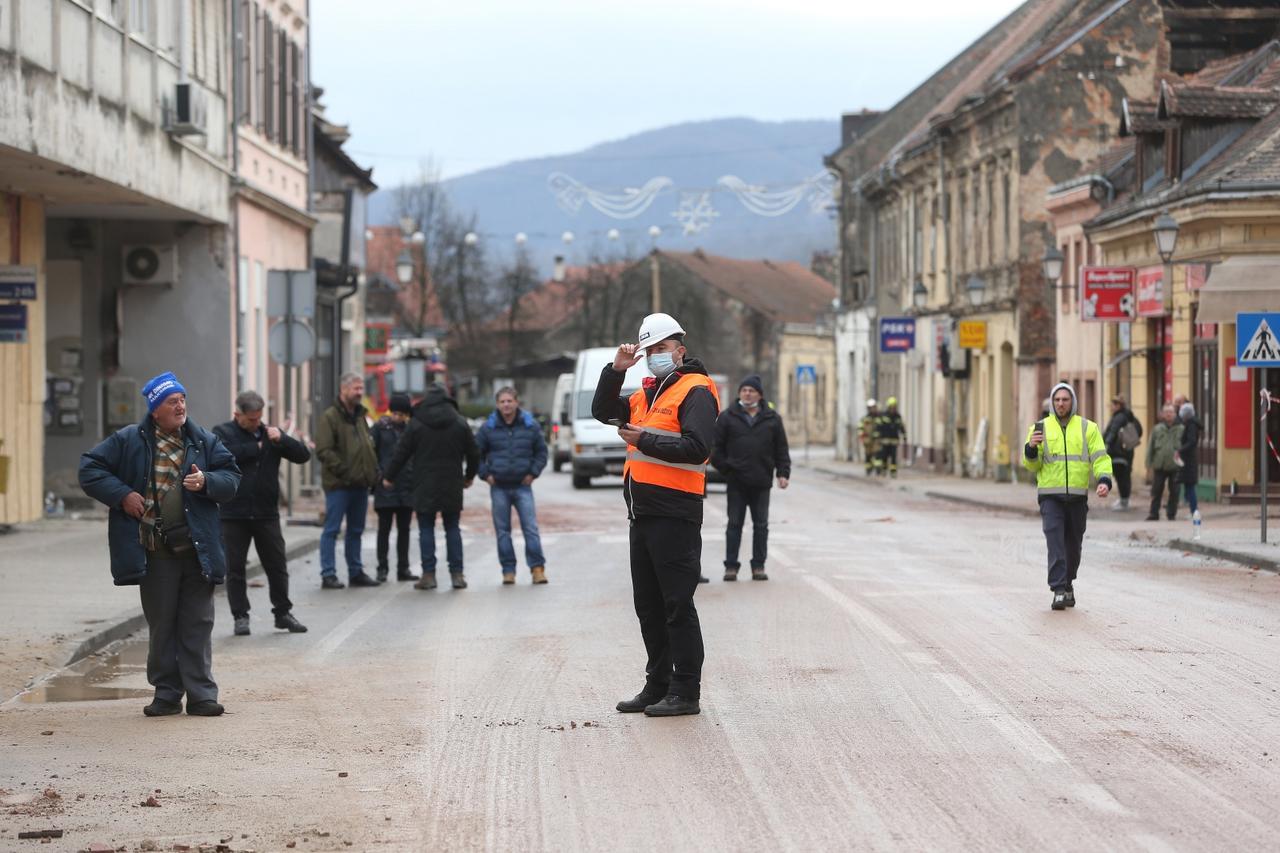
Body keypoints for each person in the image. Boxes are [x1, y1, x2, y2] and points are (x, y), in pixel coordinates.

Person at [79, 372, 240, 717]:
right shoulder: (128, 441)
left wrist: (208, 480)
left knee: (197, 623)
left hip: (198, 552)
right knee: (163, 624)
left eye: (182, 399)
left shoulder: (204, 441)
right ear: (155, 410)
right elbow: (89, 468)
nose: (180, 405)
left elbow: (232, 478)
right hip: (154, 551)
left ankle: (202, 695)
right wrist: (121, 495)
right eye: (172, 401)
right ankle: (166, 694)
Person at [592, 312, 720, 717]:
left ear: (680, 351)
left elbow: (698, 447)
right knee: (648, 606)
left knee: (677, 605)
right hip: (643, 512)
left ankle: (686, 692)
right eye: (649, 351)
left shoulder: (695, 390)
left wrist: (643, 439)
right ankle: (657, 685)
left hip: (676, 512)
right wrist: (616, 370)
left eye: (661, 349)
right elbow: (601, 410)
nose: (653, 357)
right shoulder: (646, 392)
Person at [214, 390, 312, 636]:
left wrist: (284, 439)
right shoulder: (222, 432)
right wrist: (257, 447)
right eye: (251, 419)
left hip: (266, 513)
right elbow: (223, 457)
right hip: (233, 513)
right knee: (235, 568)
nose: (256, 423)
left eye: (259, 418)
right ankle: (240, 616)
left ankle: (282, 613)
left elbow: (303, 455)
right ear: (238, 414)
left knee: (277, 565)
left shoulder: (272, 434)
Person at [1022, 382, 1113, 611]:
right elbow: (1032, 466)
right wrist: (1031, 450)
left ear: (1073, 401)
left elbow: (1101, 458)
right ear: (1052, 403)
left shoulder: (1087, 428)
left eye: (1065, 399)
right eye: (1057, 400)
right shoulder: (1040, 428)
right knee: (1055, 543)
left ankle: (1068, 582)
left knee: (1073, 545)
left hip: (1077, 497)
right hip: (1050, 497)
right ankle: (1058, 589)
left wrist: (1103, 480)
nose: (1061, 404)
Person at [383, 382, 480, 591]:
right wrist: (469, 476)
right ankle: (457, 574)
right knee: (452, 528)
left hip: (424, 482)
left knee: (426, 528)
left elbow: (402, 452)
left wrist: (389, 476)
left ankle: (429, 575)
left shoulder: (417, 423)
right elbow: (474, 452)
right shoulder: (459, 422)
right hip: (452, 482)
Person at [711, 374, 790, 582]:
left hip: (761, 481)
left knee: (761, 526)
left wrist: (783, 473)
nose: (747, 393)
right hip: (736, 482)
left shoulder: (772, 419)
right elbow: (716, 449)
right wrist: (727, 469)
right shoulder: (727, 417)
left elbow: (781, 449)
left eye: (751, 390)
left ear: (760, 395)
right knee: (734, 525)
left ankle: (758, 566)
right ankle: (731, 567)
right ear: (739, 393)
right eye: (744, 390)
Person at [476, 387, 549, 585]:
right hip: (498, 486)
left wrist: (533, 473)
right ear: (497, 404)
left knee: (530, 528)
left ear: (517, 402)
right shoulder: (488, 428)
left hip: (522, 486)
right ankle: (508, 571)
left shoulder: (530, 425)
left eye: (510, 401)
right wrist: (486, 475)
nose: (506, 405)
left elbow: (541, 452)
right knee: (502, 531)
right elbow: (476, 455)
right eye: (502, 401)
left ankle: (537, 569)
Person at [314, 372, 381, 590]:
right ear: (344, 390)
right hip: (339, 485)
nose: (360, 393)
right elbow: (324, 450)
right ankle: (328, 573)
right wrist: (345, 471)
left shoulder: (361, 416)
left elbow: (367, 447)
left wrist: (372, 471)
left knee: (355, 531)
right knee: (332, 529)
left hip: (360, 485)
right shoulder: (330, 417)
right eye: (356, 389)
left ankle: (356, 571)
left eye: (361, 388)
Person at [371, 394, 420, 583]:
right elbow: (372, 454)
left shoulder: (411, 430)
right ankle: (382, 568)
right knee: (384, 529)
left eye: (402, 414)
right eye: (396, 413)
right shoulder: (379, 429)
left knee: (404, 530)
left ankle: (403, 568)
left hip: (406, 486)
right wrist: (379, 476)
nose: (398, 417)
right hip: (385, 486)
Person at [1102, 394, 1143, 510]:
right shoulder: (1128, 416)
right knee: (1124, 476)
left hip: (1118, 452)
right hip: (1127, 451)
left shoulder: (1119, 417)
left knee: (1121, 477)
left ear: (1119, 405)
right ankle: (1124, 500)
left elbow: (1112, 431)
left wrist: (1106, 444)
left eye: (1114, 404)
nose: (1112, 406)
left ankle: (1124, 501)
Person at [1145, 403, 1183, 521]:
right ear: (1162, 414)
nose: (1168, 414)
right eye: (1166, 412)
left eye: (1171, 412)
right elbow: (1150, 446)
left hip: (1175, 465)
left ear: (1175, 414)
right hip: (1159, 464)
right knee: (1156, 490)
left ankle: (1171, 513)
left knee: (1175, 491)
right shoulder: (1157, 429)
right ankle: (1154, 513)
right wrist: (1148, 463)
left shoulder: (1181, 429)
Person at [1178, 401, 1202, 523]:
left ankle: (1194, 512)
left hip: (1189, 460)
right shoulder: (1190, 424)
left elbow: (1191, 441)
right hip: (1188, 459)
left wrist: (1181, 449)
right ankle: (1192, 511)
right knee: (1188, 487)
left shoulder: (1191, 425)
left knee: (1190, 487)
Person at [875, 397, 906, 477]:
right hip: (884, 440)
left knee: (893, 457)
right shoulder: (883, 415)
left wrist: (904, 436)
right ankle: (884, 470)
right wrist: (877, 436)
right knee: (884, 456)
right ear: (888, 407)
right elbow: (878, 427)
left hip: (894, 441)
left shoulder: (898, 416)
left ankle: (893, 472)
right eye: (891, 407)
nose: (893, 408)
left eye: (894, 407)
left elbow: (901, 427)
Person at [859, 399, 880, 476]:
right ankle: (868, 469)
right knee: (868, 455)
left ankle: (878, 470)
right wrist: (862, 436)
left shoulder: (879, 418)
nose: (872, 409)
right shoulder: (865, 419)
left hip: (876, 440)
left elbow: (881, 427)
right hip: (867, 440)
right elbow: (860, 428)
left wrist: (878, 434)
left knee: (877, 454)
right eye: (870, 408)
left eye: (873, 407)